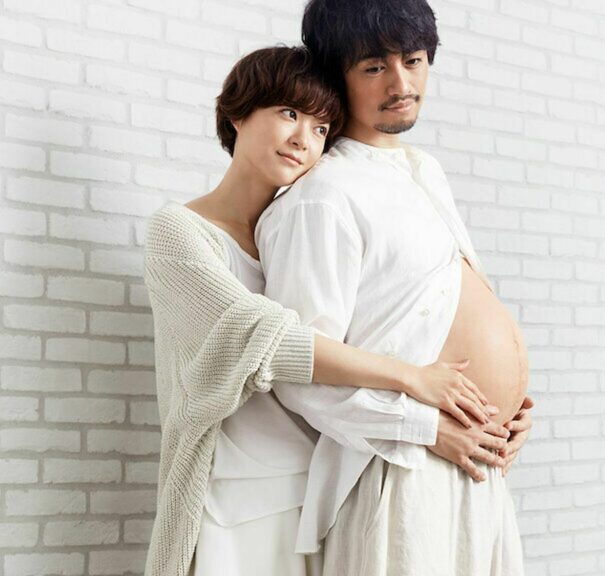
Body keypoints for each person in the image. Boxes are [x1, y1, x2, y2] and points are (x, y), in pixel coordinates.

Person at [142, 46, 506, 576]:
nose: (303, 139)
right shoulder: (178, 234)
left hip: (308, 491)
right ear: (237, 114)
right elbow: (271, 341)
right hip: (229, 492)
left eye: (320, 127)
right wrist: (414, 383)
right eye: (288, 113)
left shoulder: (291, 231)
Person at [254, 1, 535, 573]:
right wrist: (427, 429)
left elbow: (436, 310)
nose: (402, 84)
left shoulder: (424, 171)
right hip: (400, 469)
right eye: (374, 67)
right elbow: (297, 369)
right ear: (337, 73)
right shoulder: (322, 196)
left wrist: (509, 407)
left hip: (479, 465)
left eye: (413, 60)